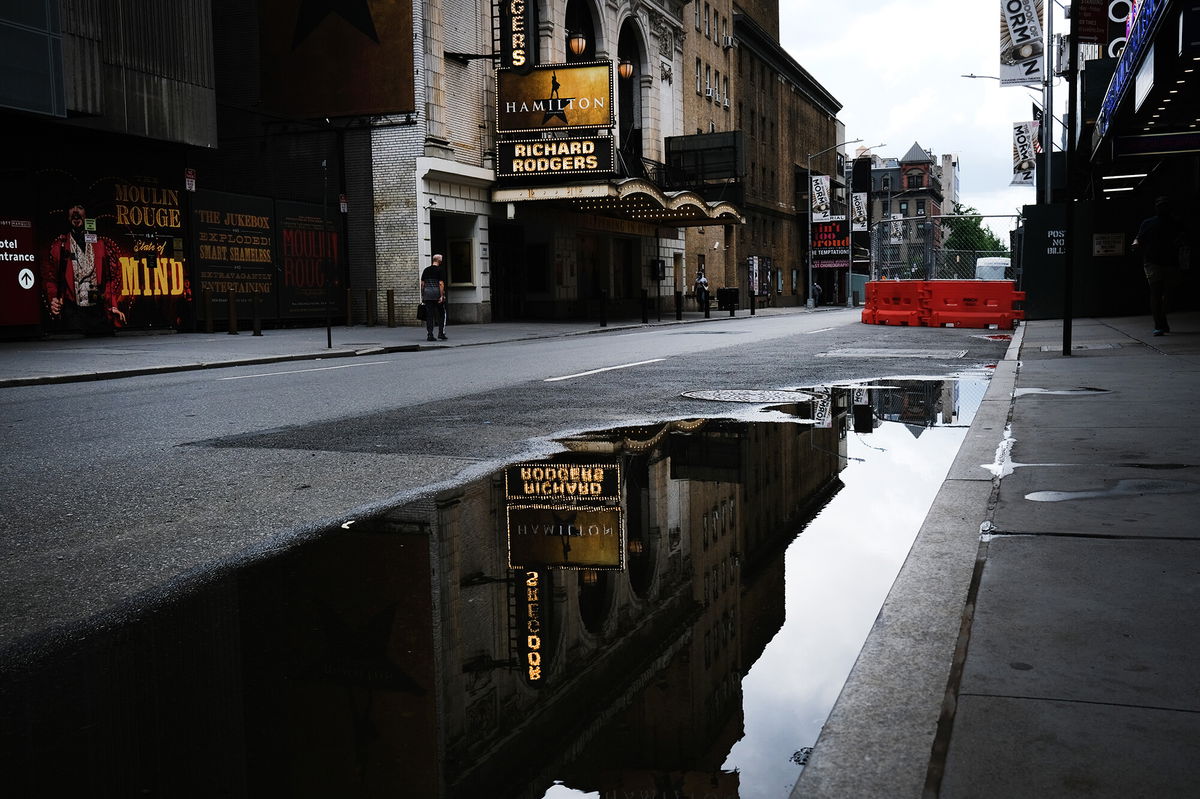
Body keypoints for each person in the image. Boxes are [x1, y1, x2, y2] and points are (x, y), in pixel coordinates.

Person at [42, 203, 126, 334]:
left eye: (80, 207)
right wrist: (53, 298)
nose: (75, 211)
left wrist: (112, 305)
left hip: (97, 311)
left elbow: (110, 279)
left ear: (86, 214)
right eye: (72, 208)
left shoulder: (100, 244)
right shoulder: (60, 246)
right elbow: (51, 279)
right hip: (73, 312)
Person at [1132, 196, 1183, 336]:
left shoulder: (1149, 223)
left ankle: (1160, 323)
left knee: (1157, 293)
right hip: (1167, 262)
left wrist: (1136, 244)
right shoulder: (1176, 223)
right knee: (1164, 293)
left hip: (1154, 262)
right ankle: (1160, 323)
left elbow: (1138, 239)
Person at [420, 253, 447, 341]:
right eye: (441, 259)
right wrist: (441, 296)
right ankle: (441, 333)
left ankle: (430, 334)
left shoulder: (426, 270)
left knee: (429, 315)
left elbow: (422, 284)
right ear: (439, 260)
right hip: (436, 294)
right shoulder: (440, 270)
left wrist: (423, 295)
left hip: (427, 295)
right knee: (441, 314)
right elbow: (441, 284)